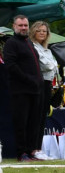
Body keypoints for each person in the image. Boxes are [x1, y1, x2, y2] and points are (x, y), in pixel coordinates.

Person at [2, 15, 43, 161]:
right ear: (14, 26)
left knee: (33, 122)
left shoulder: (29, 43)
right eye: (20, 25)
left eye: (26, 25)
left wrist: (38, 81)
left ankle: (31, 151)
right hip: (20, 90)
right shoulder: (11, 43)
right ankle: (21, 153)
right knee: (21, 122)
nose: (23, 28)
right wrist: (29, 79)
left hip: (35, 90)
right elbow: (11, 66)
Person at [30, 21, 59, 158]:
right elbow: (47, 65)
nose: (42, 33)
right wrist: (53, 65)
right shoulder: (33, 47)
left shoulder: (47, 49)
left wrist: (52, 65)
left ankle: (38, 148)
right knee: (36, 117)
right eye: (39, 30)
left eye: (44, 31)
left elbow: (53, 66)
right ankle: (33, 149)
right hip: (39, 83)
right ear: (33, 32)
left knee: (43, 116)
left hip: (48, 84)